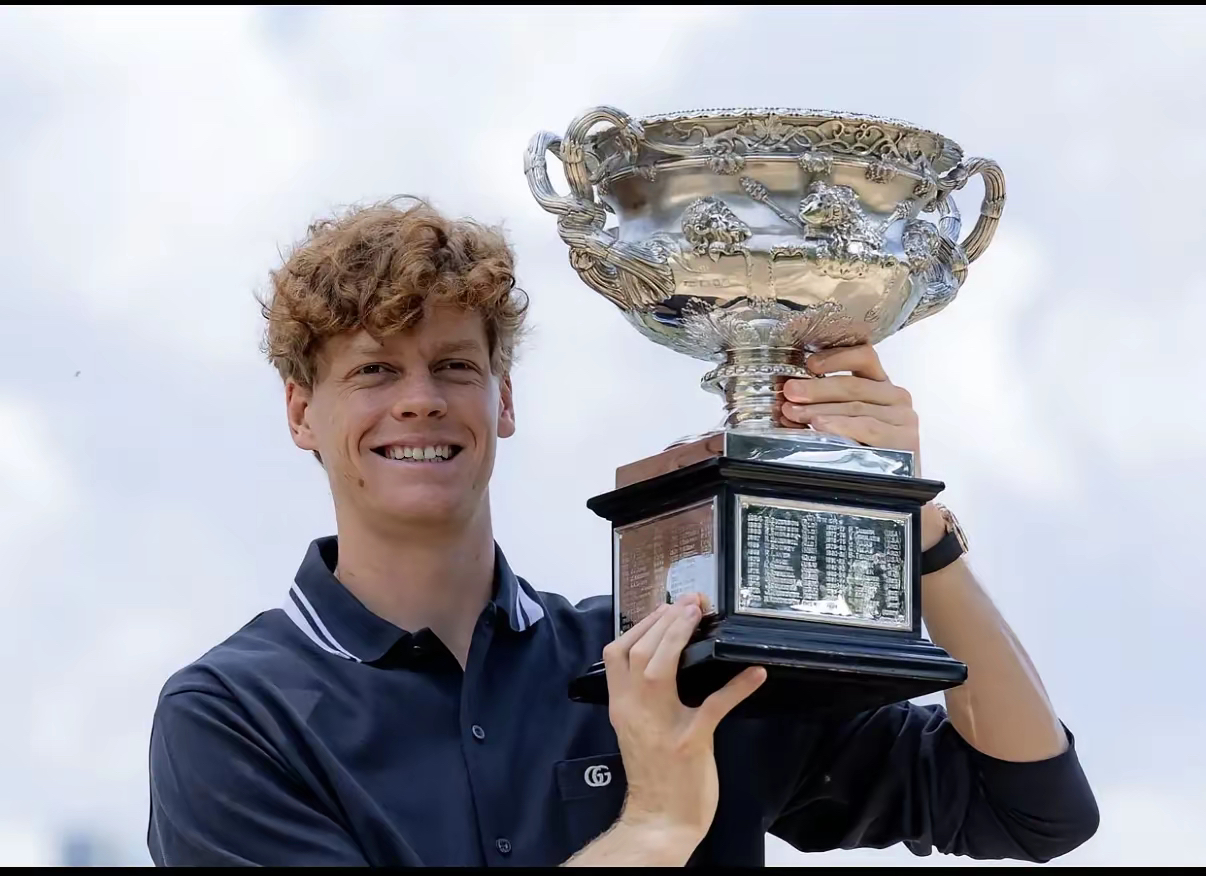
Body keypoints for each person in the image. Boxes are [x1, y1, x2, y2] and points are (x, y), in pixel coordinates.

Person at [145, 198, 1099, 867]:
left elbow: (1031, 807)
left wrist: (911, 520)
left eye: (454, 366)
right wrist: (652, 827)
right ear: (300, 413)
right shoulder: (235, 716)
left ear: (503, 400)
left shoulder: (669, 658)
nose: (421, 401)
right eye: (374, 373)